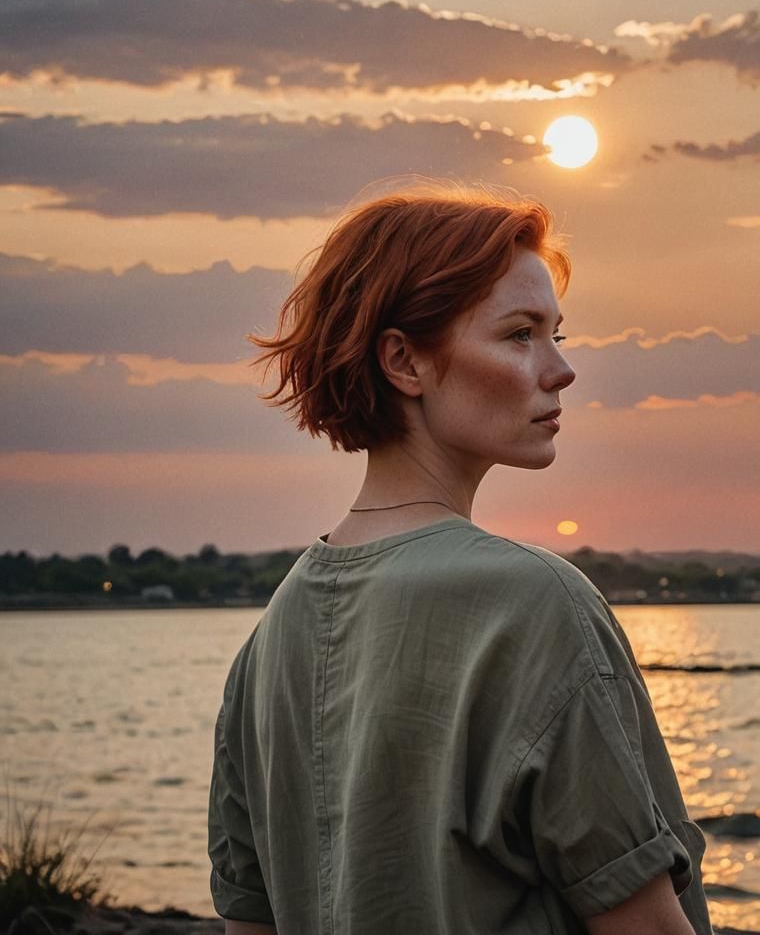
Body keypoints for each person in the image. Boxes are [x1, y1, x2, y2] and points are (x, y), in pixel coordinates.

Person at [207, 176, 715, 935]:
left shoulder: (271, 638)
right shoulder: (537, 604)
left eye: (557, 335)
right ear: (404, 362)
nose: (560, 370)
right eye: (519, 335)